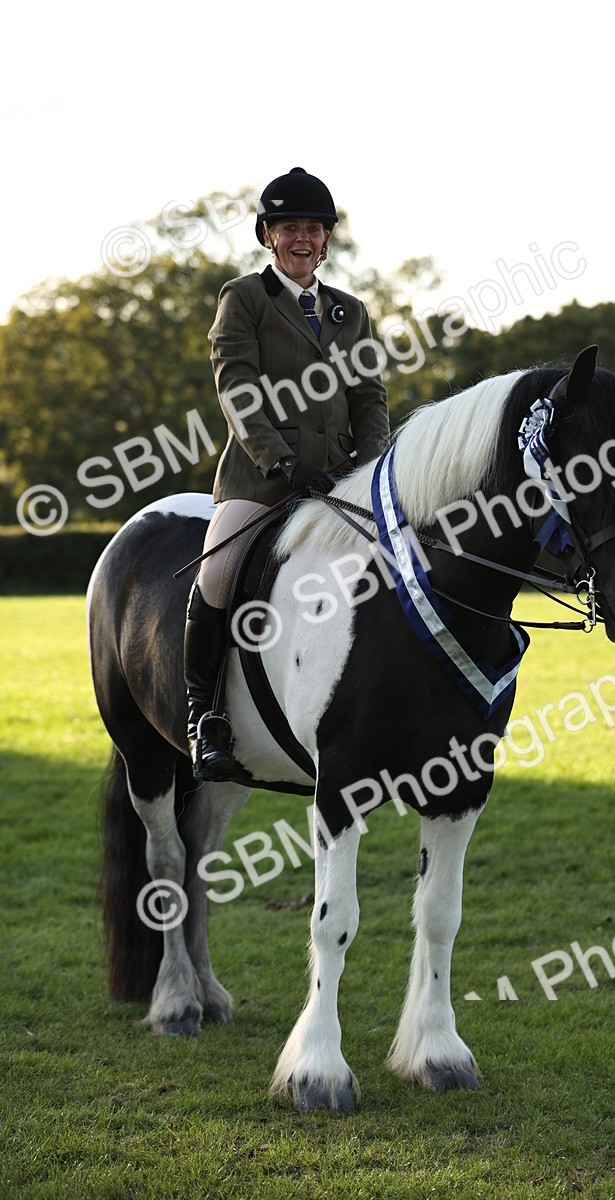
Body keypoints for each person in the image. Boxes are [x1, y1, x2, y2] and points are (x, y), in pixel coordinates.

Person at [185, 167, 390, 781]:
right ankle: (207, 719)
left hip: (340, 483)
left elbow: (369, 395)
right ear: (268, 235)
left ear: (326, 239)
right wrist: (283, 461)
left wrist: (370, 461)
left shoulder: (350, 312)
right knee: (218, 575)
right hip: (264, 482)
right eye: (289, 227)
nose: (303, 238)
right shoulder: (243, 298)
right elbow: (238, 391)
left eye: (314, 228)